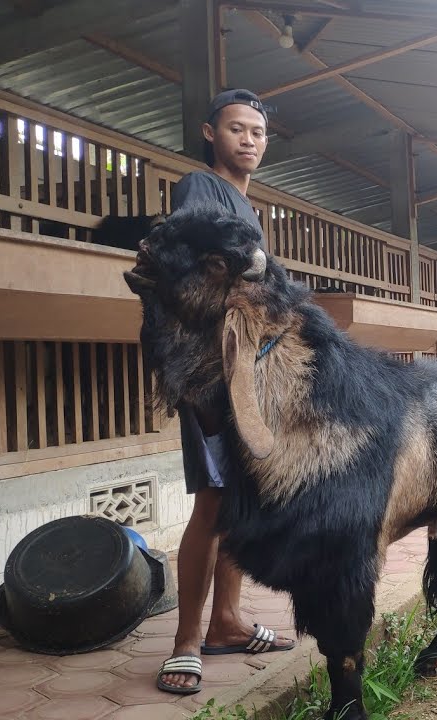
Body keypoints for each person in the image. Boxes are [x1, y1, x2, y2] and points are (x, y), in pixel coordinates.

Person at [157, 89, 295, 696]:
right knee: (214, 500)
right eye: (237, 129)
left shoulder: (245, 200)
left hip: (250, 364)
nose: (249, 140)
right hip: (210, 367)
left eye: (258, 133)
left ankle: (228, 622)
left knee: (244, 495)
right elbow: (194, 259)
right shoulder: (198, 186)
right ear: (210, 133)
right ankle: (187, 639)